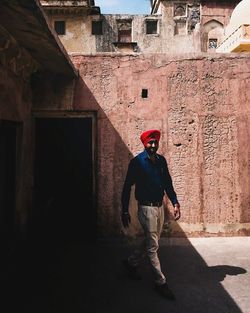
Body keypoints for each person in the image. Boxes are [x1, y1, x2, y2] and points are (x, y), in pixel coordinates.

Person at [121, 129, 181, 300]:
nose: (153, 145)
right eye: (150, 142)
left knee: (150, 239)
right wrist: (124, 209)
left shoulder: (162, 161)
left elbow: (167, 183)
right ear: (144, 144)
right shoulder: (137, 163)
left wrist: (175, 202)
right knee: (153, 247)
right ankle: (160, 282)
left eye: (155, 142)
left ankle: (131, 263)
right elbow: (126, 188)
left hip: (159, 207)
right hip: (146, 209)